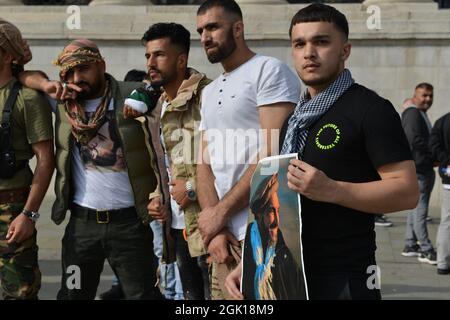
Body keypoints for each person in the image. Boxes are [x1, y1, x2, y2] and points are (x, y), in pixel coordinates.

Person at [225, 3, 419, 300]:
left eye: (321, 42)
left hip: (346, 278)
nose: (309, 52)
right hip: (288, 277)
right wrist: (253, 262)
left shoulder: (371, 110)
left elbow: (407, 192)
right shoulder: (294, 119)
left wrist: (333, 189)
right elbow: (276, 202)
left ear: (345, 50)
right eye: (299, 44)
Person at [19, 39, 164, 300]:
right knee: (73, 293)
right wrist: (46, 84)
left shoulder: (132, 95)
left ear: (101, 65)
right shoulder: (64, 103)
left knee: (143, 295)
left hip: (130, 227)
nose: (77, 78)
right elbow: (24, 76)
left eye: (83, 69)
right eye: (69, 73)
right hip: (82, 230)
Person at [195, 0, 300, 299]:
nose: (205, 37)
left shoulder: (268, 70)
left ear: (238, 28)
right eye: (201, 30)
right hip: (223, 240)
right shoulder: (209, 90)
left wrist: (220, 214)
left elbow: (272, 155)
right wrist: (214, 226)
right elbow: (203, 162)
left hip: (263, 236)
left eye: (213, 27)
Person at [131, 22, 212, 300]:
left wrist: (190, 188)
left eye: (159, 55)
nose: (150, 63)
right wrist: (157, 196)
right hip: (175, 227)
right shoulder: (158, 103)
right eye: (148, 56)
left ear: (181, 60)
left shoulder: (209, 96)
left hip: (210, 225)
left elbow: (231, 161)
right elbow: (162, 162)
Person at [0, 19, 54, 300]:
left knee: (19, 292)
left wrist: (29, 215)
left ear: (8, 55)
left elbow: (45, 160)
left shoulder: (27, 98)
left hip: (10, 209)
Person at [242, 173, 305, 300]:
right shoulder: (247, 245)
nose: (277, 220)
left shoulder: (285, 258)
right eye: (271, 211)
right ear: (259, 214)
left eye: (278, 211)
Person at [401, 83, 437, 264]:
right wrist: (434, 155)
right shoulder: (413, 113)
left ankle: (410, 244)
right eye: (424, 95)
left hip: (421, 167)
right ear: (415, 96)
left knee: (415, 209)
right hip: (419, 169)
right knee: (421, 211)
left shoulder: (418, 113)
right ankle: (425, 248)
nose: (428, 99)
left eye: (430, 96)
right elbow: (414, 140)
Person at [430, 111, 450, 275]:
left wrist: (445, 162)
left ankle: (443, 262)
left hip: (448, 176)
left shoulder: (442, 120)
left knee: (447, 220)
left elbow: (434, 146)